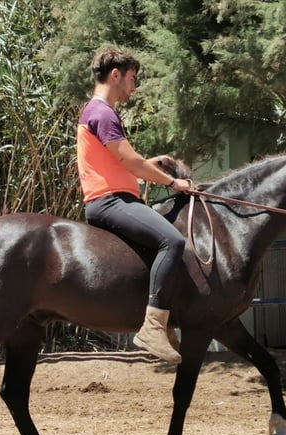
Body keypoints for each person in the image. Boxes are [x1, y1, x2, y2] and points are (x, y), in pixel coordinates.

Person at [77, 47, 190, 364]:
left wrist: (151, 164)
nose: (134, 87)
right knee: (173, 241)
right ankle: (153, 326)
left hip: (114, 197)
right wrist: (173, 183)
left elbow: (121, 162)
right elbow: (129, 160)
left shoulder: (98, 113)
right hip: (110, 200)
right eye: (131, 79)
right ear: (115, 75)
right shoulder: (102, 112)